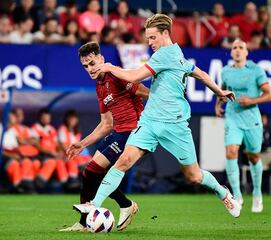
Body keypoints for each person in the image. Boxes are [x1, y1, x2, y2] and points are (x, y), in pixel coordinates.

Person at [72, 14, 241, 220]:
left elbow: (134, 76)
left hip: (174, 124)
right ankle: (94, 206)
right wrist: (219, 92)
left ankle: (223, 193)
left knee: (194, 176)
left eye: (152, 38)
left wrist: (109, 67)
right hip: (149, 121)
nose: (149, 43)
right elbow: (201, 73)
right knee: (123, 161)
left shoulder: (165, 55)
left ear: (165, 34)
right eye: (147, 38)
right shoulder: (176, 55)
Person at [61, 41, 150, 232]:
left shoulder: (117, 75)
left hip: (133, 132)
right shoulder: (100, 86)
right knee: (90, 174)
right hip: (118, 131)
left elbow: (147, 93)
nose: (90, 69)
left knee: (92, 170)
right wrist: (81, 144)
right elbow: (106, 124)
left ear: (101, 59)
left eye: (92, 63)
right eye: (85, 66)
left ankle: (86, 221)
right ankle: (125, 205)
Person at [215, 39, 271, 213]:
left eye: (241, 47)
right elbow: (223, 90)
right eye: (234, 48)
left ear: (247, 52)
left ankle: (257, 194)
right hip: (232, 117)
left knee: (253, 157)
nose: (238, 50)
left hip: (252, 119)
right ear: (231, 52)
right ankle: (237, 195)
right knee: (231, 152)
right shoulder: (225, 72)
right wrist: (218, 105)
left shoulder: (256, 70)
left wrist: (252, 100)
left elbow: (270, 95)